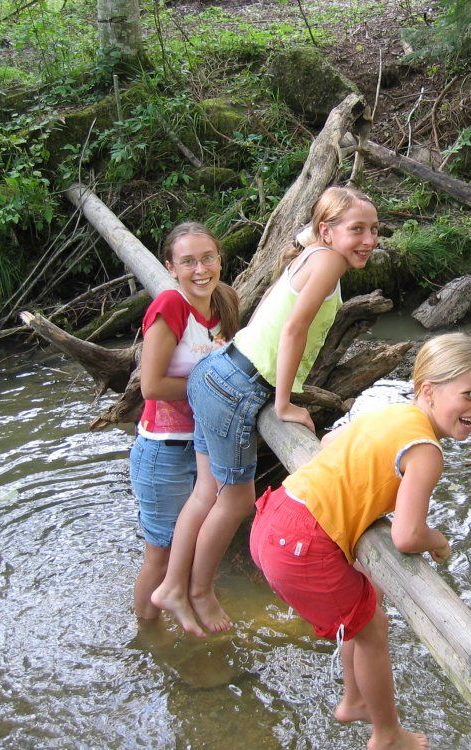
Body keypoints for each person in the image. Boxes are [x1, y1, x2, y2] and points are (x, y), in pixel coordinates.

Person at [250, 333, 471, 750]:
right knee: (374, 629)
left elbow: (329, 443)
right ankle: (387, 734)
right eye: (468, 394)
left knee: (366, 600)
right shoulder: (426, 451)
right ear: (428, 391)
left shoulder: (391, 413)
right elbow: (406, 535)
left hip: (275, 517)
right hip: (302, 544)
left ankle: (354, 699)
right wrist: (437, 541)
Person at [152, 185, 379, 637]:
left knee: (205, 494)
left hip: (217, 372)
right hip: (241, 386)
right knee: (235, 501)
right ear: (327, 230)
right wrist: (284, 402)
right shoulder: (329, 261)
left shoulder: (313, 252)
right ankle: (198, 591)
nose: (369, 240)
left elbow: (278, 312)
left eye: (374, 229)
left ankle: (173, 586)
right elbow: (294, 328)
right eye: (357, 229)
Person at [130, 222, 239, 621]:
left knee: (188, 551)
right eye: (188, 261)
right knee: (160, 558)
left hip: (204, 451)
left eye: (207, 258)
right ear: (171, 267)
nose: (200, 269)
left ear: (219, 259)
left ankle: (183, 621)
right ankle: (149, 638)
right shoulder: (170, 306)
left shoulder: (224, 303)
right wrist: (215, 388)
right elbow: (152, 386)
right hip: (164, 452)